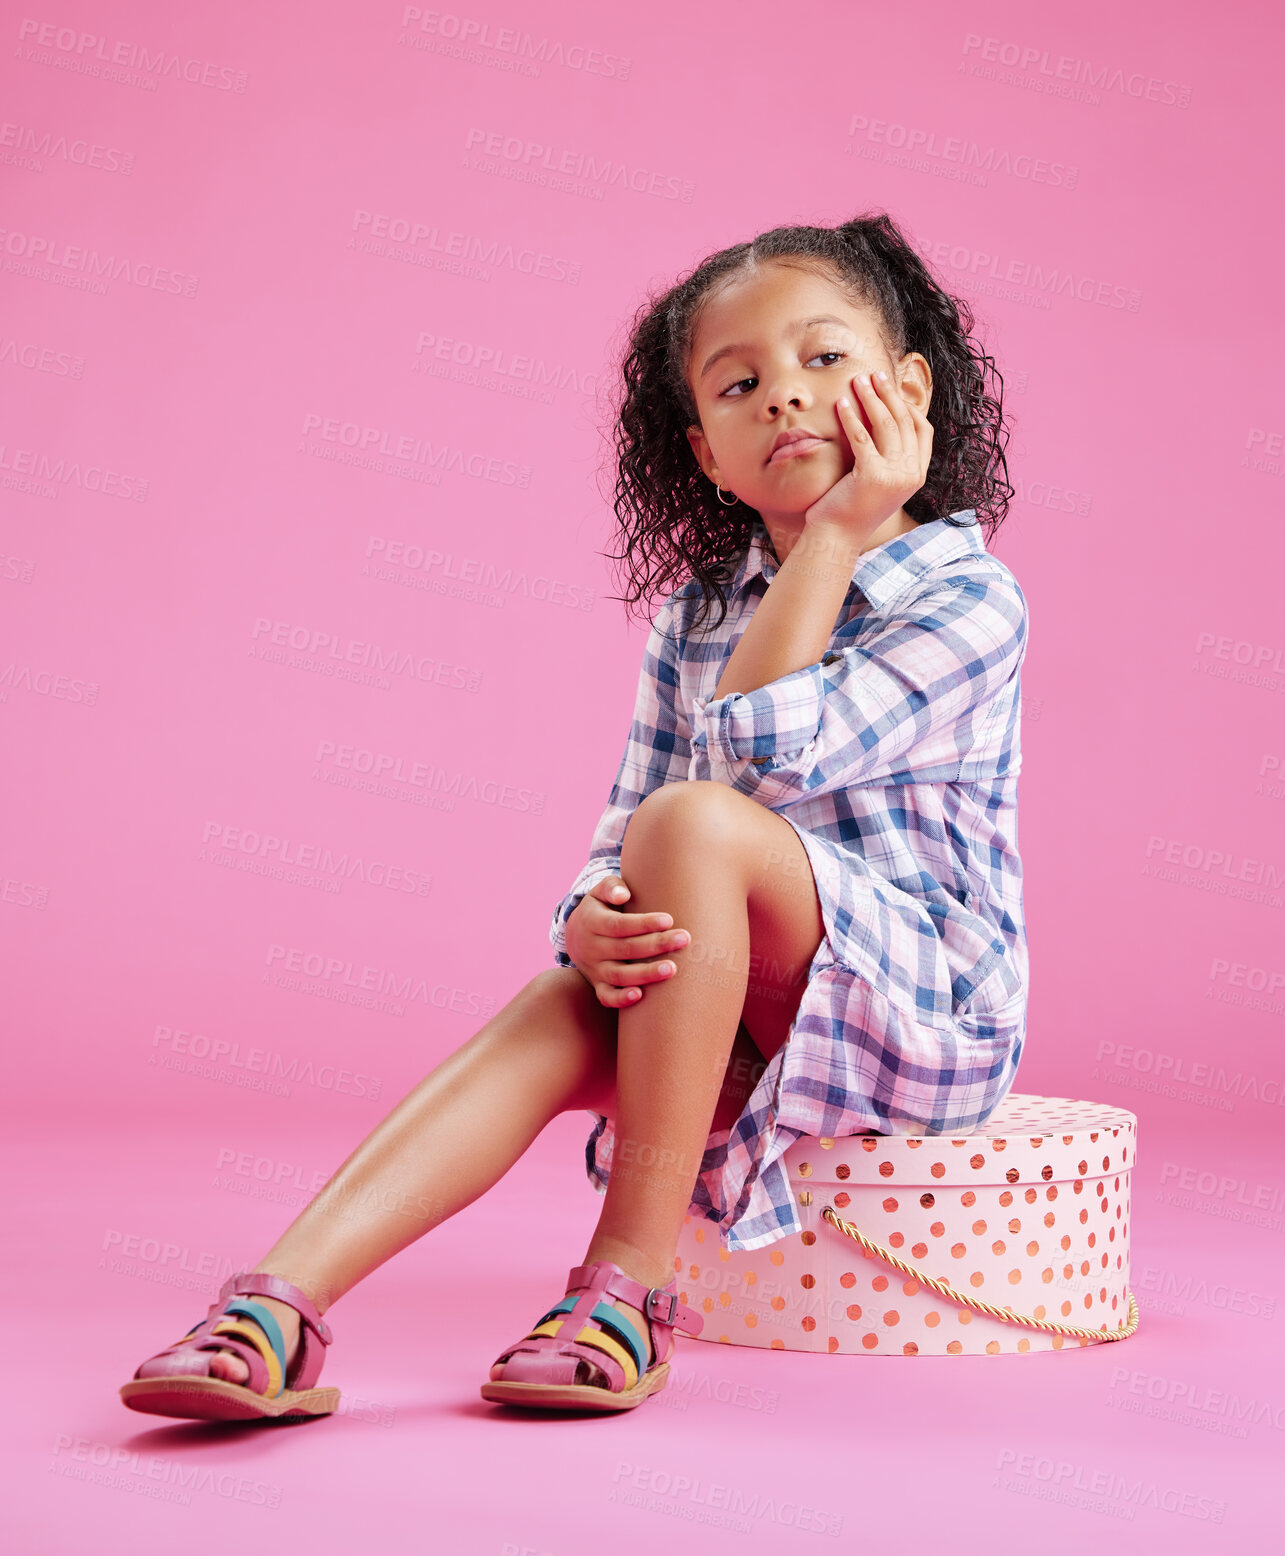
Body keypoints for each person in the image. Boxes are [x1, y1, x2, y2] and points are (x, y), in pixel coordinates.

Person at [120, 211, 1030, 1421]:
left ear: (908, 390)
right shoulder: (698, 618)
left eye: (823, 360)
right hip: (742, 1006)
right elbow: (624, 837)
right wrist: (589, 921)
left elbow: (752, 764)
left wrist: (839, 533)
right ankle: (279, 1305)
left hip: (923, 1011)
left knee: (698, 820)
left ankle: (623, 1288)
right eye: (741, 384)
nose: (786, 399)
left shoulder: (968, 597)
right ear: (706, 454)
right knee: (569, 986)